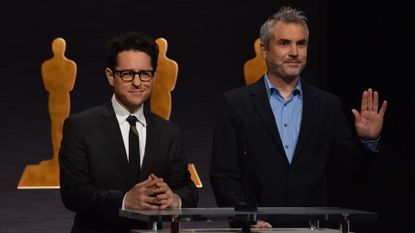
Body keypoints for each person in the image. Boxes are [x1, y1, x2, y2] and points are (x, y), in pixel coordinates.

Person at [209, 6, 387, 228]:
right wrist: (248, 219)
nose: (294, 52)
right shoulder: (235, 103)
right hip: (257, 229)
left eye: (301, 44)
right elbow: (223, 175)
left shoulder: (327, 105)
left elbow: (351, 172)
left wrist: (368, 142)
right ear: (264, 49)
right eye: (284, 43)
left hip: (314, 228)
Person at [59, 31, 198, 233]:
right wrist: (124, 200)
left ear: (154, 76)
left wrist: (174, 199)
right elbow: (73, 193)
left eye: (144, 74)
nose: (137, 82)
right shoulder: (80, 126)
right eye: (127, 74)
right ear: (110, 76)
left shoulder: (169, 132)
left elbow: (188, 189)